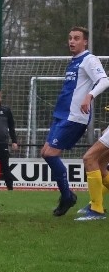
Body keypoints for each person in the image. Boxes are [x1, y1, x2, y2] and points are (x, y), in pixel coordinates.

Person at [42, 26, 109, 217]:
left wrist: (90, 95)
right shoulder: (74, 61)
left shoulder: (89, 59)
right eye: (70, 38)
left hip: (74, 117)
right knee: (45, 153)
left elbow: (104, 81)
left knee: (52, 154)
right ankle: (67, 196)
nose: (72, 41)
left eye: (77, 38)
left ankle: (68, 197)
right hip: (61, 115)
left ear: (85, 41)